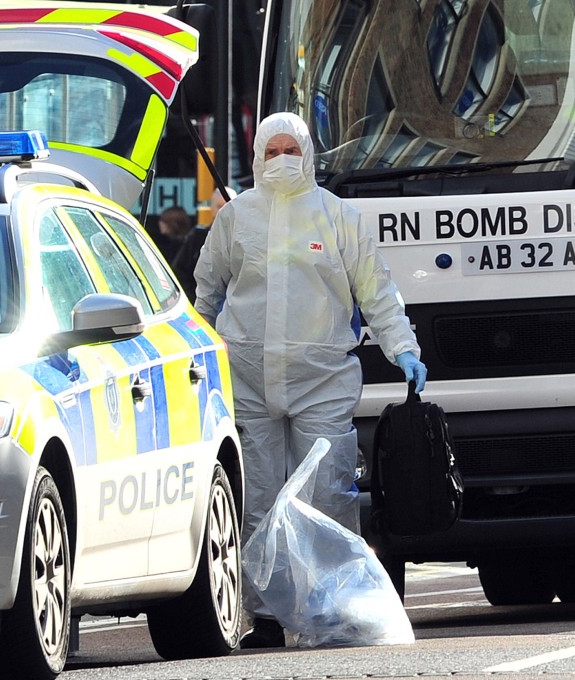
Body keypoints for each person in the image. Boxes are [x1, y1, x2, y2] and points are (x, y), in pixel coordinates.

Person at [193, 112, 426, 649]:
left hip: (322, 378)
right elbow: (206, 293)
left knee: (326, 496)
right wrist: (198, 353)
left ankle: (329, 609)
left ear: (308, 152)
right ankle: (268, 616)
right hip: (246, 377)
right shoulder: (236, 218)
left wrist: (404, 348)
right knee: (258, 499)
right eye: (270, 151)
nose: (280, 160)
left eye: (288, 149)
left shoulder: (338, 217)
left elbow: (376, 291)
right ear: (256, 156)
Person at [171, 186, 237, 303]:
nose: (225, 211)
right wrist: (195, 300)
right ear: (212, 209)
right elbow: (180, 273)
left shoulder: (243, 240)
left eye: (229, 206)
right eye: (220, 207)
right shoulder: (197, 237)